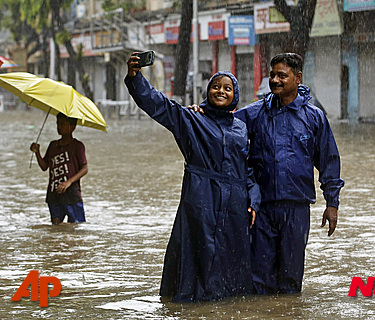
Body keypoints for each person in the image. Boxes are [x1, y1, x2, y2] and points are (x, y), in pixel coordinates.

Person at [124, 54, 260, 302]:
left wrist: (253, 200)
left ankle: (226, 304)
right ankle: (190, 303)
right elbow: (160, 106)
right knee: (198, 249)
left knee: (231, 257)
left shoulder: (240, 127)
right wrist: (135, 79)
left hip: (235, 202)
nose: (221, 91)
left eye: (227, 88)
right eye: (216, 87)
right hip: (201, 196)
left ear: (235, 95)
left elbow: (248, 168)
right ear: (207, 92)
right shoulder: (192, 119)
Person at [235, 53, 344, 294]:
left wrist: (332, 203)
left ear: (298, 78)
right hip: (260, 209)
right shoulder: (255, 113)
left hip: (296, 209)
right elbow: (222, 125)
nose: (275, 80)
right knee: (258, 279)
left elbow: (329, 161)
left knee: (291, 279)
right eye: (272, 75)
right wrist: (201, 111)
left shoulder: (314, 117)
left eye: (282, 75)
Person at [30, 112, 88, 225]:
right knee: (56, 228)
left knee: (76, 227)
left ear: (72, 127)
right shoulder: (53, 145)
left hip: (72, 196)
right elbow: (44, 166)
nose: (59, 127)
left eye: (63, 124)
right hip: (54, 195)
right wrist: (37, 153)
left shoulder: (77, 146)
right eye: (58, 124)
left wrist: (69, 182)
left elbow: (84, 169)